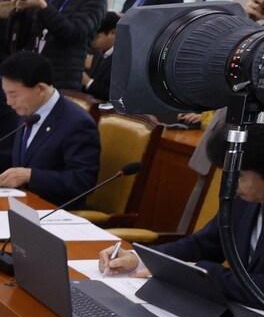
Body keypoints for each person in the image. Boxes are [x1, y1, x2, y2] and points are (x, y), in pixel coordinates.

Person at [99, 127, 264, 305]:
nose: (230, 186)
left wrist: (200, 273)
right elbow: (204, 244)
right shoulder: (242, 202)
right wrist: (140, 258)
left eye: (239, 176)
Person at [0, 51, 100, 203]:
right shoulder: (29, 109)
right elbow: (27, 161)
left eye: (14, 95)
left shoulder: (77, 123)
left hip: (51, 209)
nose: (9, 102)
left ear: (40, 89)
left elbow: (83, 182)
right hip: (20, 203)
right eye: (6, 94)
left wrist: (30, 176)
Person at [15, 0, 107, 93]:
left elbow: (74, 33)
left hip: (64, 82)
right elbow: (22, 39)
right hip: (32, 77)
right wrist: (19, 11)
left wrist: (43, 7)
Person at [83, 12, 118, 102]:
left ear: (112, 33)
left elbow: (117, 96)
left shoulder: (123, 60)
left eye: (97, 37)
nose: (93, 42)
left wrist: (88, 82)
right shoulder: (98, 52)